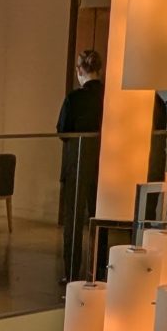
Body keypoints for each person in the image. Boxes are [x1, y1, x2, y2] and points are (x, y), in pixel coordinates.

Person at [57, 47, 105, 281]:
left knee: (74, 221)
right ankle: (99, 270)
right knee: (101, 218)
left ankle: (71, 273)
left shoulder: (74, 98)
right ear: (99, 69)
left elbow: (63, 131)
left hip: (77, 162)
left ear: (79, 70)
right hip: (103, 164)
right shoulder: (109, 97)